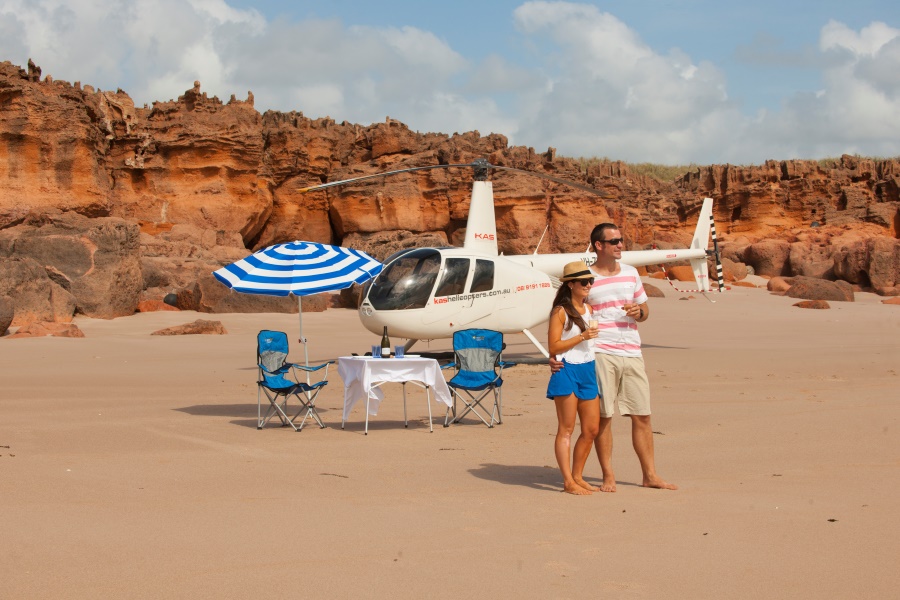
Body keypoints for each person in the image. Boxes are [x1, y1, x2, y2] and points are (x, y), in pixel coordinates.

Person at [550, 225, 677, 491]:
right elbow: (569, 316)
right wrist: (557, 355)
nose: (621, 245)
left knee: (642, 414)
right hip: (600, 352)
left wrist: (638, 312)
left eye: (622, 240)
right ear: (599, 245)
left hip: (632, 350)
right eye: (615, 241)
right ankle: (608, 475)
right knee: (604, 417)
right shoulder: (588, 278)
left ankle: (650, 475)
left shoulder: (631, 274)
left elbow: (645, 310)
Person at [546, 261, 601, 495]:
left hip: (588, 369)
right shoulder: (560, 312)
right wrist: (582, 337)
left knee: (591, 429)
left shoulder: (590, 310)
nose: (588, 285)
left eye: (591, 281)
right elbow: (553, 345)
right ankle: (568, 481)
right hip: (567, 369)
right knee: (566, 429)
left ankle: (577, 475)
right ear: (570, 284)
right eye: (584, 281)